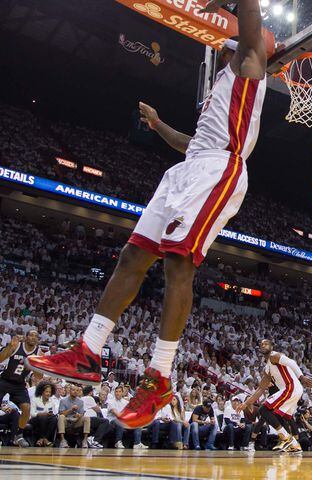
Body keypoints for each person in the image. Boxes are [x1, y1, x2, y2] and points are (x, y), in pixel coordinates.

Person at [25, 0, 269, 429]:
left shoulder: (250, 69)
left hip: (220, 170)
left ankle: (159, 379)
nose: (222, 52)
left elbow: (251, 30)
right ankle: (88, 350)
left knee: (178, 263)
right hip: (190, 166)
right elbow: (191, 143)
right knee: (132, 256)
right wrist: (158, 126)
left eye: (227, 47)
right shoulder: (220, 89)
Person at [239, 339, 312, 453]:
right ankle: (294, 445)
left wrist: (302, 377)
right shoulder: (267, 368)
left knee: (264, 410)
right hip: (293, 390)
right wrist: (246, 403)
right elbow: (260, 389)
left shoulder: (274, 356)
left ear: (271, 346)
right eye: (261, 344)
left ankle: (286, 438)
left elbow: (291, 362)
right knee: (281, 416)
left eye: (266, 343)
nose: (263, 345)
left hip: (291, 387)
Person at [0, 330, 39, 447]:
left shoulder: (38, 353)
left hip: (19, 384)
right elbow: (0, 359)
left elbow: (39, 376)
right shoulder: (17, 345)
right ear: (26, 337)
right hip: (4, 380)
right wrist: (10, 346)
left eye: (36, 336)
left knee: (26, 408)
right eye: (31, 335)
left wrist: (37, 365)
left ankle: (19, 435)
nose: (33, 338)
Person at [29, 381, 58, 447]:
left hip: (47, 419)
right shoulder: (35, 400)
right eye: (46, 392)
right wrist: (40, 414)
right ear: (42, 392)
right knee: (43, 417)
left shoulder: (52, 401)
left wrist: (51, 414)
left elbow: (54, 413)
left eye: (50, 392)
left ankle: (43, 439)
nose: (48, 394)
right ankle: (44, 439)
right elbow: (32, 414)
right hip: (35, 419)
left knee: (54, 419)